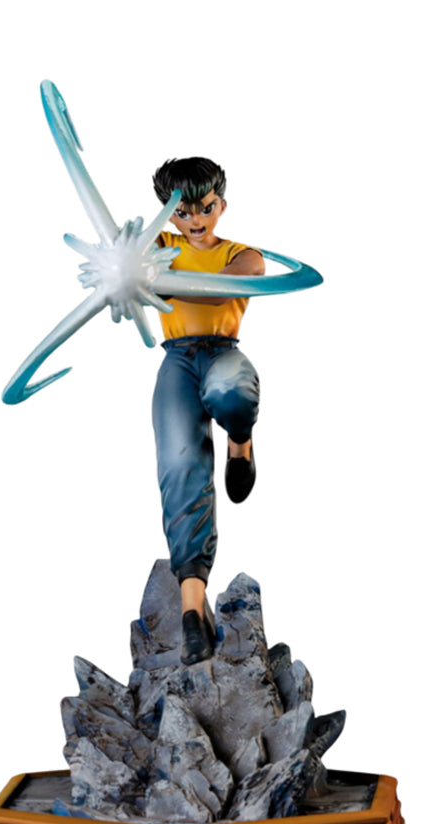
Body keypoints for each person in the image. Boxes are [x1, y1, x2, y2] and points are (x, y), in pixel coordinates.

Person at [151, 156, 265, 665]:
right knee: (180, 467)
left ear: (221, 204)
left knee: (231, 390)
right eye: (181, 212)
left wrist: (157, 281)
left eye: (205, 207)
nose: (195, 220)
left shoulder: (241, 254)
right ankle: (192, 613)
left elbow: (231, 284)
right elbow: (125, 258)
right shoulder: (157, 246)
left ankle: (240, 441)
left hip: (221, 350)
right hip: (176, 360)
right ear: (168, 214)